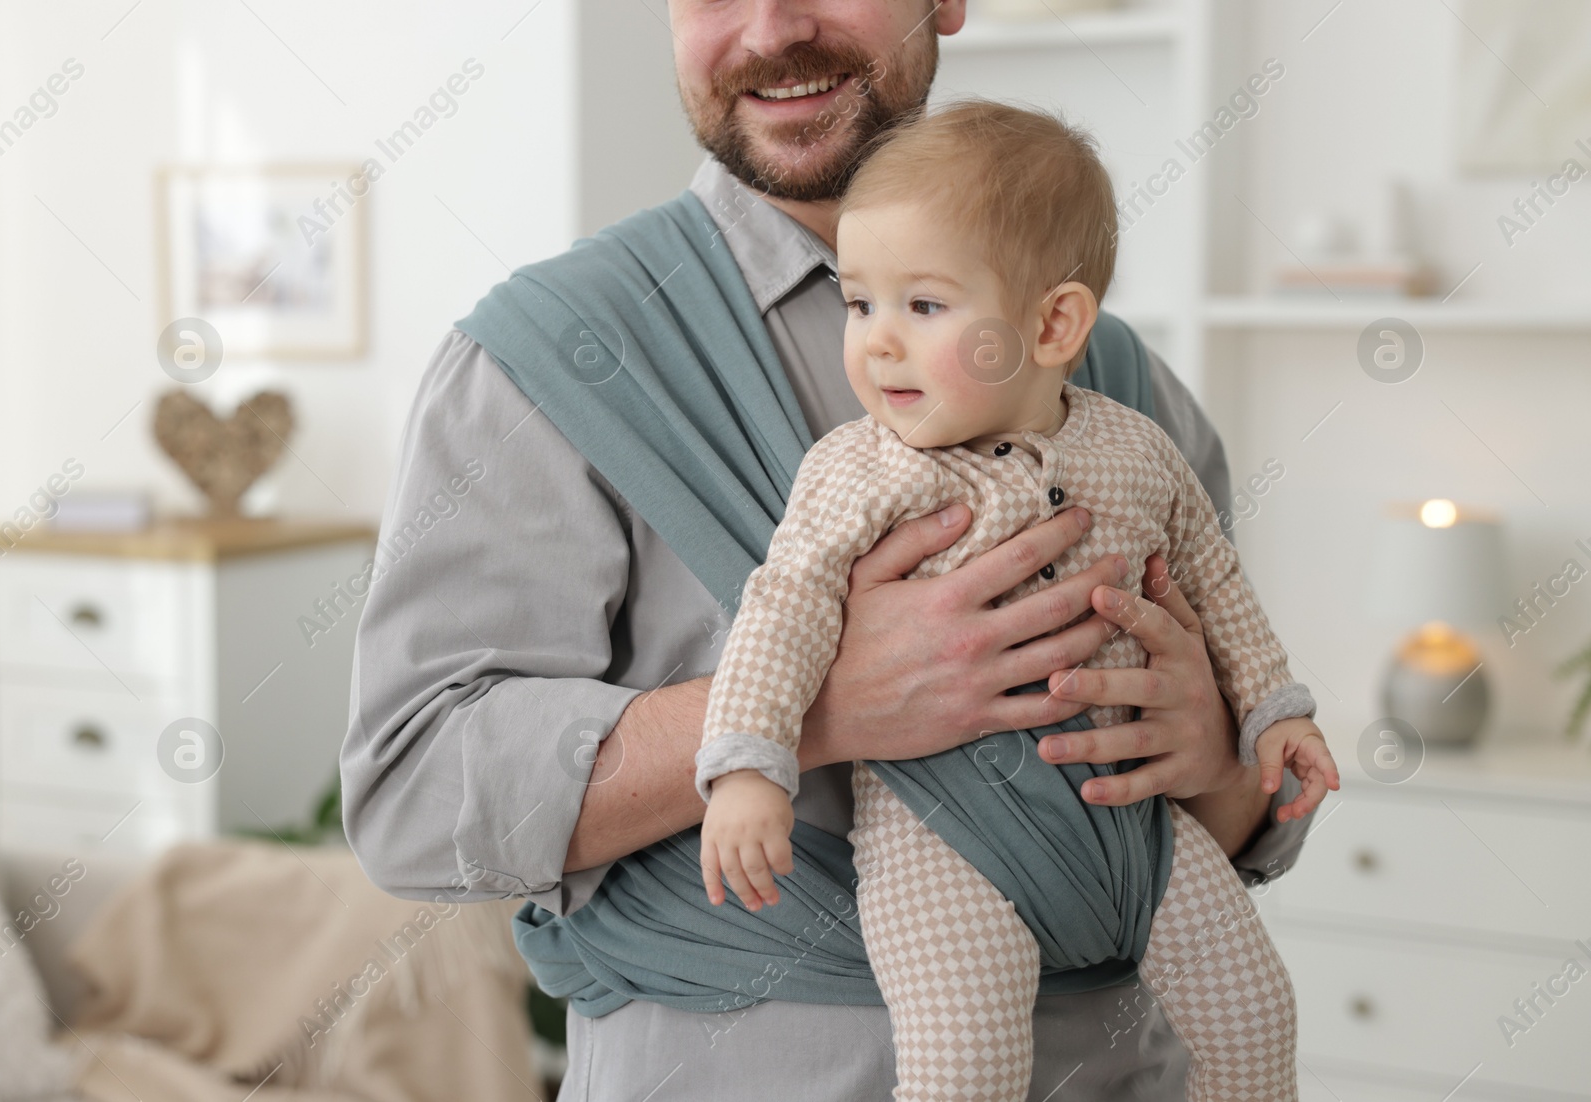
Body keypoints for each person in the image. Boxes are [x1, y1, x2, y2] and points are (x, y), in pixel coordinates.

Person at [341, 2, 1323, 1097]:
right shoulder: (552, 358)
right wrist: (826, 707)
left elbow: (1246, 814)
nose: (768, 30)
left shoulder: (1117, 383)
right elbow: (412, 797)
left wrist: (1220, 758)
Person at [693, 99, 1339, 1102]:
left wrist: (1271, 708)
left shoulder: (1131, 445)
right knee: (965, 1066)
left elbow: (1212, 577)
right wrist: (748, 768)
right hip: (944, 839)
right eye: (860, 305)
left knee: (1257, 1014)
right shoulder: (856, 472)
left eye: (924, 306)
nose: (878, 344)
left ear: (1051, 324)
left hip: (1138, 826)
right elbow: (783, 612)